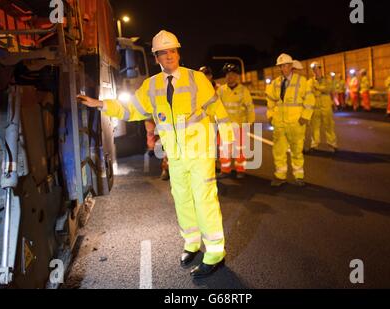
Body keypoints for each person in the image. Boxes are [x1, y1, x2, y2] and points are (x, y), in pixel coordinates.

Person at [77, 30, 234, 278]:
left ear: (178, 53)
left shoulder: (196, 79)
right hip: (176, 155)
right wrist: (101, 105)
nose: (168, 56)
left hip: (200, 151)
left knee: (204, 200)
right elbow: (131, 109)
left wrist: (229, 138)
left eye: (172, 51)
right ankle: (192, 244)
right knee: (182, 200)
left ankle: (215, 253)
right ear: (156, 58)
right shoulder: (151, 86)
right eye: (163, 52)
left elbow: (217, 108)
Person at [266, 53, 315, 187]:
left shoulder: (301, 81)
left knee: (296, 151)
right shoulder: (275, 83)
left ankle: (298, 176)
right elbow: (270, 100)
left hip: (296, 123)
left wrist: (305, 116)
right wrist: (270, 115)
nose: (284, 68)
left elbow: (310, 100)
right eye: (281, 66)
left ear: (291, 66)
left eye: (286, 65)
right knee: (278, 151)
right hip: (279, 123)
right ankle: (280, 176)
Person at [217, 63, 255, 179]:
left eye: (233, 74)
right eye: (228, 74)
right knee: (224, 150)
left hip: (239, 126)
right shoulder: (221, 90)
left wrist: (250, 122)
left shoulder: (243, 90)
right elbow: (216, 107)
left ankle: (240, 170)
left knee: (240, 150)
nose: (230, 77)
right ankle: (225, 170)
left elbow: (250, 108)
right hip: (224, 127)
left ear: (237, 76)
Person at [308, 62, 338, 152]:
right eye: (314, 69)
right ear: (312, 71)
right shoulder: (309, 82)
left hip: (326, 107)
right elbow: (308, 93)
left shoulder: (327, 80)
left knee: (329, 126)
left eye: (317, 68)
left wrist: (317, 88)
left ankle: (332, 144)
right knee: (314, 127)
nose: (316, 71)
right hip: (315, 108)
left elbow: (328, 89)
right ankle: (314, 144)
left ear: (320, 69)